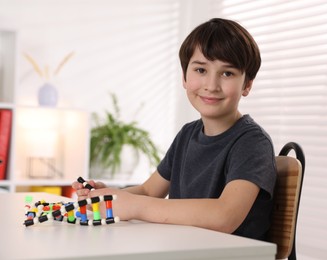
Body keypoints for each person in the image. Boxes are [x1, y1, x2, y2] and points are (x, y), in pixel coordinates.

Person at [72, 18, 276, 241]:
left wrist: (136, 207)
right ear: (184, 77)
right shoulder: (187, 135)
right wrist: (108, 197)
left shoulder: (252, 143)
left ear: (247, 84)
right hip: (184, 248)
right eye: (200, 70)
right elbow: (149, 191)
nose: (211, 85)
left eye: (227, 73)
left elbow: (224, 216)